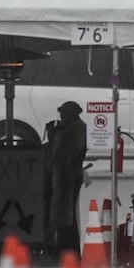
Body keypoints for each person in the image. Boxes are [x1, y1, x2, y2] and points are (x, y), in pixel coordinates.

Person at [45, 100, 87, 258]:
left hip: (68, 177)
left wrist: (54, 134)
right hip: (65, 176)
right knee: (62, 214)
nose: (61, 116)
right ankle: (65, 246)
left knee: (65, 215)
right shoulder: (70, 128)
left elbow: (63, 154)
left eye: (63, 113)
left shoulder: (75, 129)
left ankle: (66, 248)